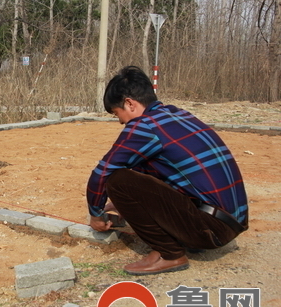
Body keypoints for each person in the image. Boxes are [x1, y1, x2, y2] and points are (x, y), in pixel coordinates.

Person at [87, 66, 248, 275]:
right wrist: (123, 203)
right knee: (138, 168)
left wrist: (96, 215)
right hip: (231, 222)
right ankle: (189, 237)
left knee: (117, 181)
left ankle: (169, 254)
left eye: (117, 113)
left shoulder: (144, 126)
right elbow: (156, 173)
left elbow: (102, 174)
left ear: (130, 103)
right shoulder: (177, 114)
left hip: (212, 230)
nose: (120, 121)